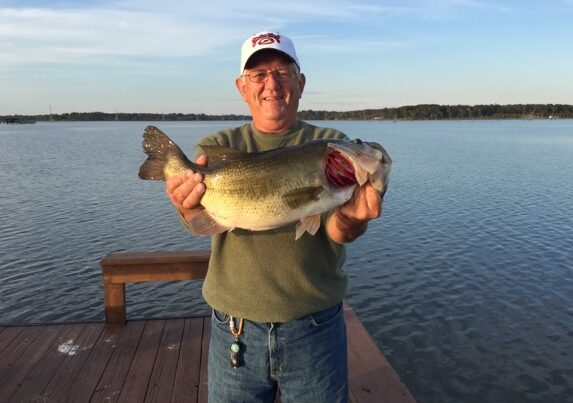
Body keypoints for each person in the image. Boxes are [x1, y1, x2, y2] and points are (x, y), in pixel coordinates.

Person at [165, 31, 382, 403]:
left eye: (283, 72)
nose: (272, 84)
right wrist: (187, 205)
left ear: (300, 83)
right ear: (242, 87)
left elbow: (336, 230)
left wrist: (354, 219)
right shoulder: (220, 148)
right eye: (259, 75)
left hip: (315, 326)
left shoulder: (331, 143)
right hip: (235, 329)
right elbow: (198, 222)